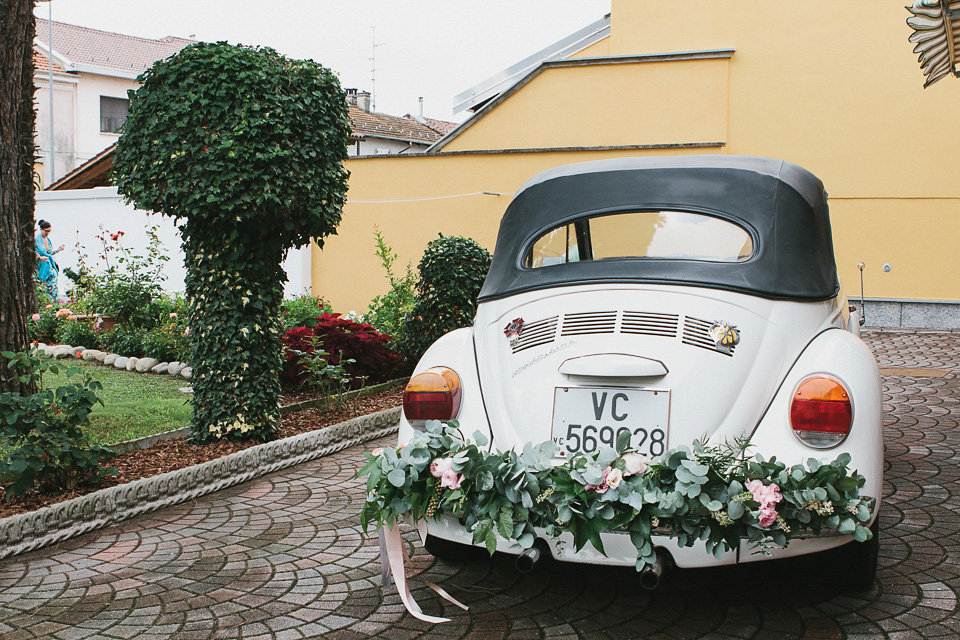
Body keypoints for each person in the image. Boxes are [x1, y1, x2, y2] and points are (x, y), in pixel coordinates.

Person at [35, 219, 64, 299]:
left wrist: (58, 250)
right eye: (46, 231)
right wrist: (40, 258)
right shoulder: (37, 239)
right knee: (44, 286)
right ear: (41, 229)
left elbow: (49, 253)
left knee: (53, 286)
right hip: (42, 265)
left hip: (50, 265)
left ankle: (53, 302)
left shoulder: (48, 240)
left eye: (49, 231)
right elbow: (34, 252)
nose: (48, 233)